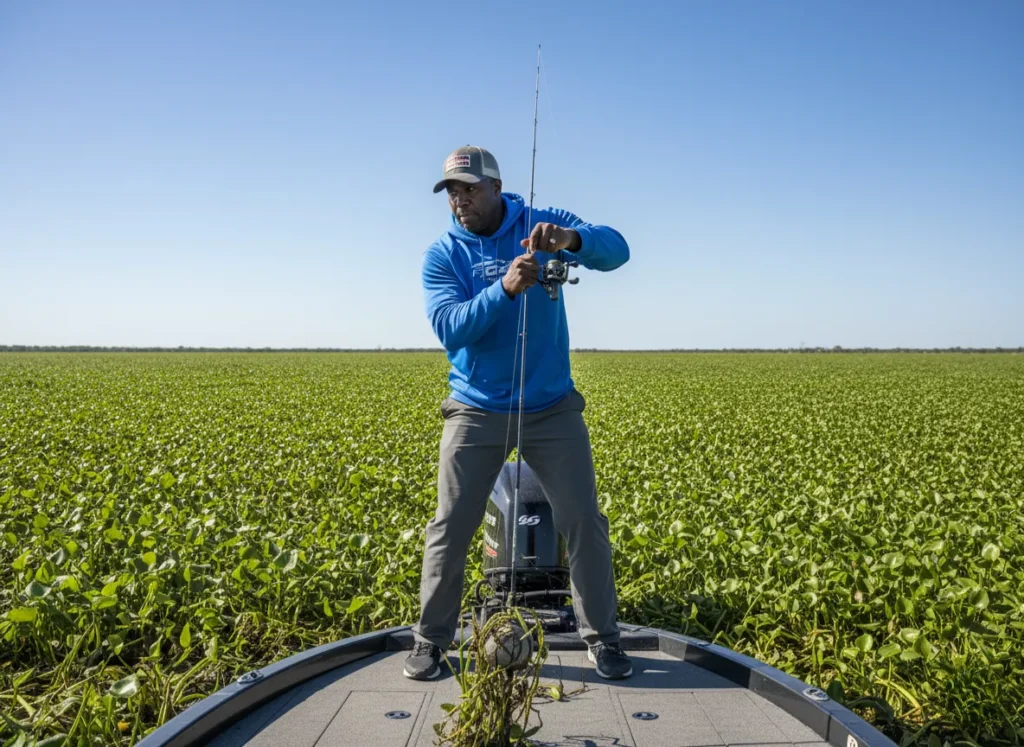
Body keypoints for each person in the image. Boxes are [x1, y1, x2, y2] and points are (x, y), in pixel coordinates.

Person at [405, 145, 631, 681]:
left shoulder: (540, 225)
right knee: (451, 526)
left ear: (497, 186)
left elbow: (617, 250)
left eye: (470, 189)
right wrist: (504, 288)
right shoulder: (443, 255)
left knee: (583, 522)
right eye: (452, 192)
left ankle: (604, 639)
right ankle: (431, 640)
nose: (460, 201)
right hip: (476, 408)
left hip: (550, 407)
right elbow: (451, 328)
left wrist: (572, 241)